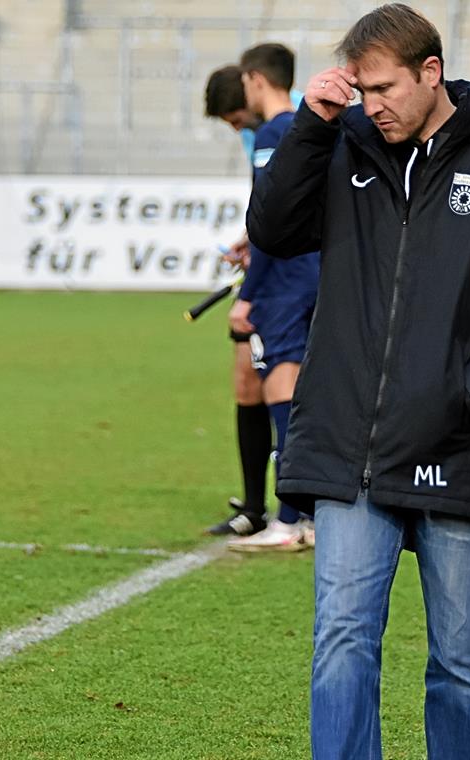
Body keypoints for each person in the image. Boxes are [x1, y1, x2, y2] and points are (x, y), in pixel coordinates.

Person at [246, 5, 470, 757]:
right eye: (362, 89)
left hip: (461, 440)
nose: (373, 105)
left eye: (385, 88)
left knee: (462, 658)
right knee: (341, 642)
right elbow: (274, 230)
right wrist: (312, 124)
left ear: (430, 72)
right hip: (352, 444)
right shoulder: (343, 146)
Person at [226, 42, 321, 553]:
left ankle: (289, 521)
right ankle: (306, 516)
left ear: (256, 80)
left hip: (283, 281)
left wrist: (249, 295)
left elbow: (270, 221)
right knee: (303, 394)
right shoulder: (314, 126)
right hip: (316, 274)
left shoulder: (272, 133)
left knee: (281, 392)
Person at [202, 64, 271, 537]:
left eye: (234, 117)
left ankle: (299, 509)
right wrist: (252, 237)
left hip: (295, 275)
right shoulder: (259, 136)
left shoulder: (295, 127)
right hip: (270, 263)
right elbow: (271, 202)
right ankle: (254, 506)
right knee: (247, 379)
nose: (234, 127)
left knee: (289, 385)